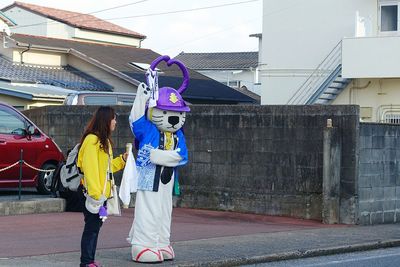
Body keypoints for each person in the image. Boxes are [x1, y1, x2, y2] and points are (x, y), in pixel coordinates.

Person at [77, 106, 127, 267]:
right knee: (91, 228)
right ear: (106, 120)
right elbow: (90, 169)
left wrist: (122, 160)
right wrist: (96, 196)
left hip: (100, 195)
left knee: (95, 228)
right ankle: (86, 262)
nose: (115, 122)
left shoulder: (102, 141)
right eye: (113, 118)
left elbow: (106, 168)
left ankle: (89, 260)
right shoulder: (93, 140)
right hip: (94, 195)